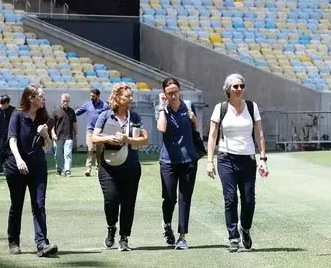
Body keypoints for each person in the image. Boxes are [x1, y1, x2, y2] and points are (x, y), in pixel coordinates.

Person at [206, 73, 267, 253]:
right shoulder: (220, 108)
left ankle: (245, 228)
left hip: (248, 158)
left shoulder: (251, 106)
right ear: (228, 89)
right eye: (235, 86)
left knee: (249, 200)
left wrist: (263, 158)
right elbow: (212, 135)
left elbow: (259, 134)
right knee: (230, 199)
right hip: (226, 158)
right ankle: (233, 237)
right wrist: (210, 161)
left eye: (241, 86)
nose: (239, 89)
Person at [93, 82, 148, 252]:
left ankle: (124, 238)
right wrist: (109, 138)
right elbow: (94, 138)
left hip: (131, 167)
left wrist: (128, 140)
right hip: (108, 167)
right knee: (111, 199)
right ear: (117, 98)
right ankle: (111, 228)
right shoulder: (105, 115)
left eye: (131, 96)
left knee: (128, 203)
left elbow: (145, 140)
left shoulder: (135, 117)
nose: (131, 99)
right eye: (127, 96)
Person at [4, 84, 58, 258]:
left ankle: (42, 244)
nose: (44, 98)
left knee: (39, 204)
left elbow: (48, 147)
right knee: (17, 205)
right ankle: (14, 242)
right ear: (31, 98)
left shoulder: (44, 116)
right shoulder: (17, 115)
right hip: (16, 167)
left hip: (38, 168)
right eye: (41, 96)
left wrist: (45, 135)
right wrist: (19, 160)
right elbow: (12, 140)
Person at [156, 76, 199, 250]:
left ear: (179, 91)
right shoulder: (162, 109)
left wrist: (193, 118)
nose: (173, 96)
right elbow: (161, 128)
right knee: (170, 198)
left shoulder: (187, 105)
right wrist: (162, 107)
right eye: (169, 93)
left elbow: (195, 126)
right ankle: (167, 224)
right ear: (164, 94)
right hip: (168, 161)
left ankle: (182, 236)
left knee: (184, 198)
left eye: (175, 92)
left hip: (188, 159)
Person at [75, 88, 106, 177]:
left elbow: (109, 116)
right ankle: (88, 168)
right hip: (90, 130)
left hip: (100, 131)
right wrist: (69, 113)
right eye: (90, 96)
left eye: (93, 96)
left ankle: (98, 168)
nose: (91, 97)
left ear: (98, 96)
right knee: (90, 149)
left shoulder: (104, 106)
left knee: (99, 151)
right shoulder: (87, 105)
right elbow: (77, 112)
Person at [50, 94, 77, 177]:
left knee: (68, 153)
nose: (65, 103)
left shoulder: (72, 111)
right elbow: (52, 125)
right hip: (58, 137)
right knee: (58, 155)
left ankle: (67, 170)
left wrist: (76, 134)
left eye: (67, 101)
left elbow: (74, 124)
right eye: (63, 101)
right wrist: (53, 134)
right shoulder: (55, 111)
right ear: (61, 101)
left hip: (68, 136)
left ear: (69, 102)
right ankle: (59, 169)